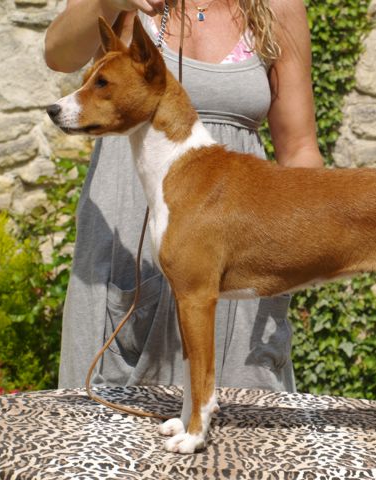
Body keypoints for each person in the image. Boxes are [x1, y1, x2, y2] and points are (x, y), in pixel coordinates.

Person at [44, 0, 323, 390]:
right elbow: (59, 55)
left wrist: (301, 241)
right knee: (109, 418)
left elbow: (299, 149)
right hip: (129, 235)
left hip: (234, 249)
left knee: (239, 418)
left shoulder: (276, 6)